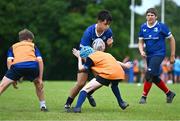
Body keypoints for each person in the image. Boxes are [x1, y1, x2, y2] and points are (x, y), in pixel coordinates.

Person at [64, 10, 113, 110]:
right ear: (99, 21)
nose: (107, 26)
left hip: (98, 60)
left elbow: (107, 47)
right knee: (80, 83)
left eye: (109, 24)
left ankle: (89, 93)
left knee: (102, 80)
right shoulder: (89, 32)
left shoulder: (108, 32)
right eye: (105, 24)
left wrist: (110, 44)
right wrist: (90, 62)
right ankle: (68, 103)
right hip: (85, 58)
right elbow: (82, 52)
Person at [71, 46, 130, 113]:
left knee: (84, 90)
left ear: (85, 56)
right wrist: (125, 65)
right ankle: (121, 102)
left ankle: (77, 108)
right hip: (119, 73)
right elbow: (116, 62)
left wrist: (79, 57)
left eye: (83, 58)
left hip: (108, 74)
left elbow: (81, 68)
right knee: (114, 85)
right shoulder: (105, 54)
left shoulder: (90, 57)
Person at [0, 29, 48, 111]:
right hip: (32, 66)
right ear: (29, 39)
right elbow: (40, 60)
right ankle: (43, 106)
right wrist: (40, 78)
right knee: (38, 84)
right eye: (31, 40)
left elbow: (9, 61)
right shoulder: (33, 46)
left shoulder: (13, 47)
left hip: (17, 67)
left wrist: (12, 77)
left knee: (2, 85)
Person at [138, 8, 176, 104]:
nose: (150, 17)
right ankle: (169, 93)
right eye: (148, 15)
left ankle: (143, 97)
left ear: (156, 17)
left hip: (159, 54)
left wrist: (172, 55)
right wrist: (141, 50)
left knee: (149, 74)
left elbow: (172, 39)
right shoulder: (143, 27)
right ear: (146, 16)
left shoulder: (161, 27)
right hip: (149, 55)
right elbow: (140, 41)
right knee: (154, 77)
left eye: (152, 15)